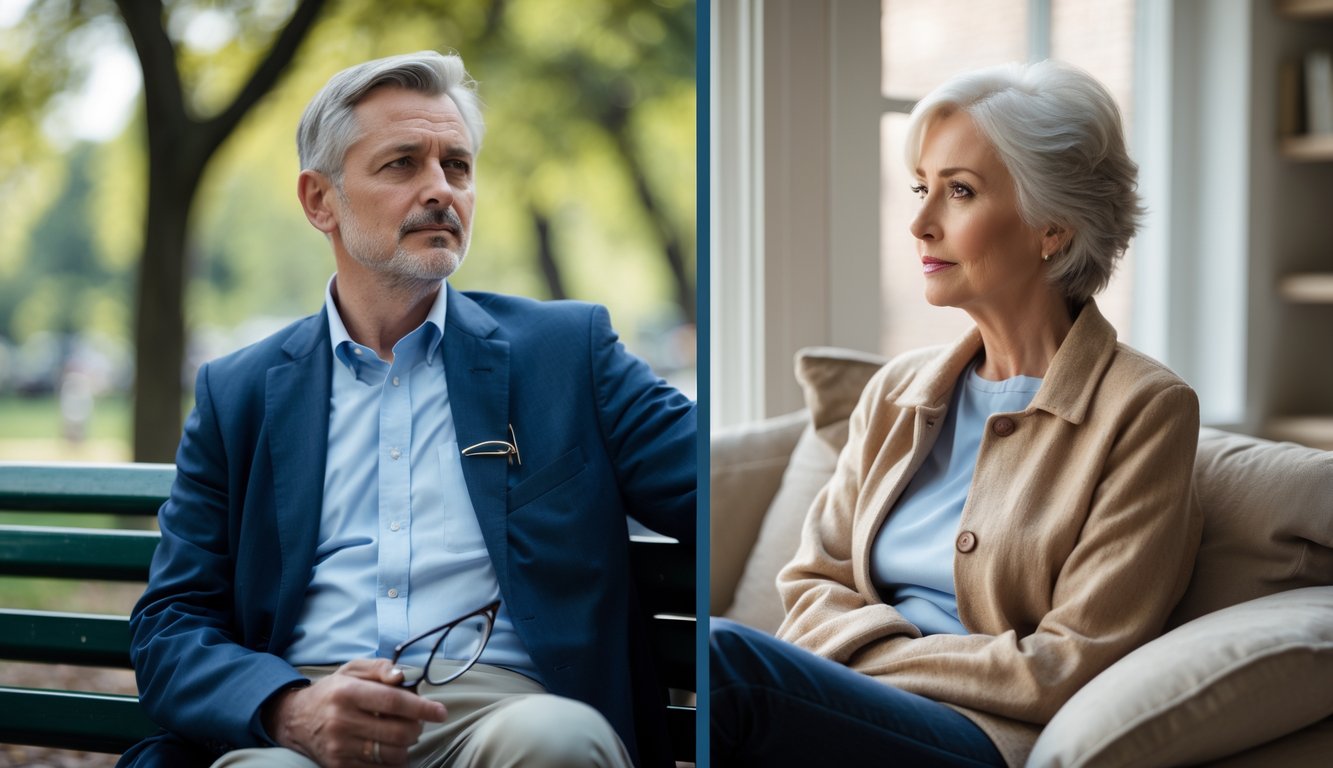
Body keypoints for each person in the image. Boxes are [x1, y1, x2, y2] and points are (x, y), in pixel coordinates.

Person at [120, 51, 695, 768]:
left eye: (456, 166)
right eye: (401, 164)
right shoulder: (237, 393)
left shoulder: (566, 354)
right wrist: (288, 708)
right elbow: (170, 624)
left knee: (555, 743)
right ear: (318, 200)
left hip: (506, 711)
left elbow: (716, 491)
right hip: (309, 715)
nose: (440, 190)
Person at [710, 61, 1201, 768]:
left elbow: (1064, 664)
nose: (918, 223)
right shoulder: (896, 391)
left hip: (977, 737)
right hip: (835, 705)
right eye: (921, 188)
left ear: (1051, 229)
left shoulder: (1145, 411)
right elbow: (810, 584)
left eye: (959, 192)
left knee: (722, 660)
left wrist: (862, 658)